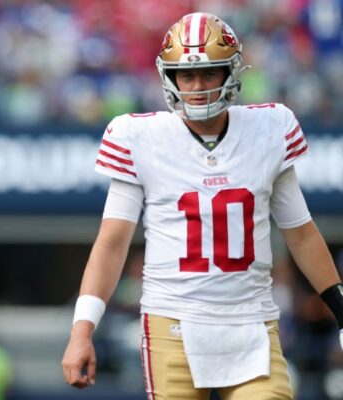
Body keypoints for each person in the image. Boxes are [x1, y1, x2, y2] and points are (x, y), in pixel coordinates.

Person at [62, 12, 343, 400]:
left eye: (209, 73)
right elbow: (112, 244)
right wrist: (82, 329)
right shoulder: (138, 136)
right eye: (187, 75)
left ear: (231, 72)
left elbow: (301, 233)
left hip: (251, 323)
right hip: (172, 324)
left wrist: (340, 310)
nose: (197, 86)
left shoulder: (270, 128)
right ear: (169, 77)